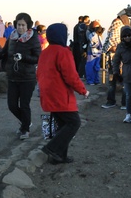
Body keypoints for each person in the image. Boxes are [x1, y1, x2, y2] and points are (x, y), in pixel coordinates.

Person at [37, 23, 89, 164]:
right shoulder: (63, 52)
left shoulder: (45, 53)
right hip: (60, 95)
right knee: (74, 123)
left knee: (62, 125)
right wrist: (83, 90)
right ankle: (52, 149)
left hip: (48, 94)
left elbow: (39, 74)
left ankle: (59, 156)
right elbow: (71, 76)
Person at [0, 12, 41, 140]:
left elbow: (38, 57)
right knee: (12, 105)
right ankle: (26, 122)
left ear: (28, 26)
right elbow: (4, 52)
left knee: (24, 105)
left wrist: (23, 57)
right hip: (13, 76)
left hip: (27, 77)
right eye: (18, 25)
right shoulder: (12, 37)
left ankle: (25, 129)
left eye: (23, 25)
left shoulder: (33, 38)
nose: (20, 28)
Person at [112, 26, 131, 124]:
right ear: (122, 37)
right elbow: (116, 60)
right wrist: (116, 73)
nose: (127, 37)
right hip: (127, 73)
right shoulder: (120, 46)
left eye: (129, 35)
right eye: (125, 36)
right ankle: (129, 114)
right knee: (128, 95)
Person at [101, 14, 130, 109]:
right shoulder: (128, 30)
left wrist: (107, 49)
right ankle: (124, 103)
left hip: (113, 61)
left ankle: (111, 101)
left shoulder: (115, 26)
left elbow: (109, 43)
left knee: (112, 81)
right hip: (123, 60)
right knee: (124, 82)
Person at [85, 20, 104, 85]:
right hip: (93, 52)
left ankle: (94, 80)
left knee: (95, 66)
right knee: (92, 67)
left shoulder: (90, 33)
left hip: (93, 52)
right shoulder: (95, 34)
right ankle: (92, 80)